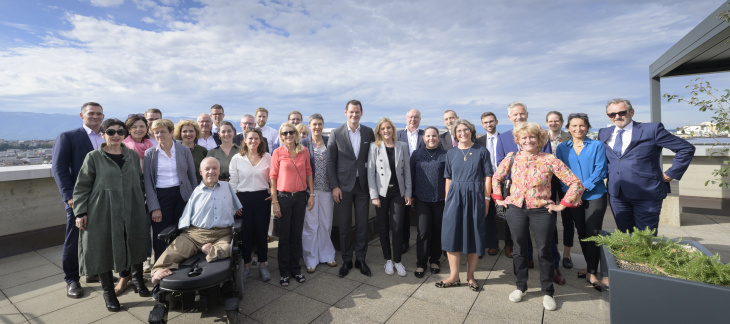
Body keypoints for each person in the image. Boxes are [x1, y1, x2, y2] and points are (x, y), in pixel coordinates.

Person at [492, 122, 584, 311]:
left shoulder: (549, 159)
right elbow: (496, 178)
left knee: (544, 251)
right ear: (518, 140)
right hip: (516, 209)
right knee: (519, 250)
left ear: (539, 139)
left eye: (532, 137)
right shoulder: (512, 157)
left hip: (542, 210)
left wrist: (562, 205)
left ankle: (548, 291)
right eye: (524, 138)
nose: (528, 140)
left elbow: (575, 182)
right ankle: (521, 286)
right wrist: (499, 198)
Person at [73, 119, 150, 312]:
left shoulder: (132, 155)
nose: (116, 135)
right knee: (103, 247)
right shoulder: (93, 157)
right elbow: (82, 186)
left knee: (135, 241)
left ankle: (139, 281)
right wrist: (80, 212)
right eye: (111, 131)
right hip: (102, 209)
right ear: (103, 134)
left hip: (132, 206)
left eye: (120, 131)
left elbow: (140, 182)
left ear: (125, 134)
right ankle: (108, 293)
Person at [598, 98, 695, 233]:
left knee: (646, 237)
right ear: (608, 116)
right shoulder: (603, 133)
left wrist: (671, 173)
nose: (617, 117)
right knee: (624, 234)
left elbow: (686, 148)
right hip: (617, 194)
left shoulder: (652, 129)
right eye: (612, 114)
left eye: (622, 113)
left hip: (647, 193)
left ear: (631, 112)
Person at [496, 102, 564, 284]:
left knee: (547, 238)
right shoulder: (503, 138)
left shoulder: (540, 133)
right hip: (517, 195)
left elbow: (549, 159)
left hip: (541, 194)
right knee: (520, 237)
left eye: (522, 114)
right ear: (509, 117)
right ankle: (526, 263)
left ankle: (554, 267)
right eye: (515, 115)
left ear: (527, 114)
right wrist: (501, 197)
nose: (519, 117)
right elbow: (500, 167)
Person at [150, 157, 243, 284]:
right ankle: (158, 270)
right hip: (195, 234)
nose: (211, 171)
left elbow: (237, 207)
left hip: (222, 234)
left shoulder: (227, 187)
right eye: (207, 169)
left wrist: (235, 212)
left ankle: (210, 250)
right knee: (175, 249)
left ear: (219, 170)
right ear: (200, 172)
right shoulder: (195, 191)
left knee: (229, 248)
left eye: (214, 168)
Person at [52, 102, 105, 298]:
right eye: (91, 113)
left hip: (104, 197)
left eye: (99, 114)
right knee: (74, 239)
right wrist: (69, 197)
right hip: (79, 198)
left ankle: (94, 272)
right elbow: (59, 169)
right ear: (81, 115)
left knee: (99, 237)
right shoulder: (68, 137)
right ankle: (72, 279)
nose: (95, 116)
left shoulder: (107, 137)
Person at [437, 119, 492, 292]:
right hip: (455, 195)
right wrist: (447, 199)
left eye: (465, 129)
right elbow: (448, 177)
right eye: (458, 131)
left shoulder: (481, 151)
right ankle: (454, 276)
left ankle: (470, 276)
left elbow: (487, 176)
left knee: (474, 235)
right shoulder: (451, 153)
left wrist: (487, 198)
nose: (462, 133)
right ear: (454, 134)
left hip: (476, 195)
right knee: (451, 234)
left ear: (471, 131)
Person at [556, 113, 608, 291]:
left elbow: (601, 170)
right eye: (574, 126)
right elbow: (561, 173)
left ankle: (593, 272)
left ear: (588, 127)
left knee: (593, 232)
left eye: (582, 125)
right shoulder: (562, 147)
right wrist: (570, 191)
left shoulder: (597, 145)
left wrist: (580, 188)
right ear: (568, 128)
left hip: (595, 195)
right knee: (582, 233)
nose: (578, 129)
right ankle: (589, 267)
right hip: (573, 196)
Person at [326, 99, 376, 278]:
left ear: (362, 113)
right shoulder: (336, 133)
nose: (354, 115)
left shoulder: (369, 132)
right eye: (351, 112)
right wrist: (334, 186)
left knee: (362, 225)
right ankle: (347, 260)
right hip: (343, 187)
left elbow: (375, 157)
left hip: (363, 186)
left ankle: (361, 259)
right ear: (345, 112)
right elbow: (330, 161)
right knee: (345, 226)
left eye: (357, 112)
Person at [144, 119, 198, 262]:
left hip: (183, 195)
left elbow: (192, 176)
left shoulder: (184, 150)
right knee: (160, 236)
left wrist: (194, 201)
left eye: (163, 131)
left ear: (171, 132)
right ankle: (160, 268)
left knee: (183, 232)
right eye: (156, 133)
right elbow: (148, 183)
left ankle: (182, 266)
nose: (159, 135)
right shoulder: (150, 154)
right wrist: (154, 207)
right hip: (161, 197)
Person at [270, 123, 315, 286]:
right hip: (283, 198)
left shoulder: (304, 151)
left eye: (291, 132)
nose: (288, 135)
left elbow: (309, 172)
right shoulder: (277, 152)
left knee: (296, 235)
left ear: (296, 134)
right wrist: (275, 201)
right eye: (285, 133)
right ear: (281, 136)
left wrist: (312, 194)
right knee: (284, 236)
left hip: (300, 197)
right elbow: (273, 178)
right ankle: (284, 271)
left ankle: (296, 269)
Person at [367, 117, 412, 277]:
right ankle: (388, 260)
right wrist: (374, 196)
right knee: (383, 227)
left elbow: (407, 171)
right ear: (379, 131)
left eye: (389, 128)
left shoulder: (402, 146)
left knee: (397, 227)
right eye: (383, 128)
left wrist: (408, 192)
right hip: (381, 192)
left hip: (398, 192)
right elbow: (370, 173)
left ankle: (398, 260)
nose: (386, 131)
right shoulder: (374, 147)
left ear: (393, 129)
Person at [229, 128, 273, 281]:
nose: (253, 141)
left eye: (256, 138)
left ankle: (262, 264)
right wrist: (235, 204)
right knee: (245, 234)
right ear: (245, 140)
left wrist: (272, 194)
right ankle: (247, 265)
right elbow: (233, 182)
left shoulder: (267, 157)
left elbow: (273, 178)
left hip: (262, 198)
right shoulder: (237, 158)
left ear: (260, 141)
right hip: (243, 199)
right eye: (250, 138)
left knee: (262, 233)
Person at [300, 114, 337, 273]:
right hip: (311, 191)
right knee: (310, 225)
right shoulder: (303, 143)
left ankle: (327, 255)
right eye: (314, 124)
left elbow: (336, 164)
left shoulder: (330, 142)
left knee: (326, 223)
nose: (317, 127)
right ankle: (310, 258)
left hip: (327, 190)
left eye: (320, 124)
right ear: (309, 125)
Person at [410, 126, 447, 278]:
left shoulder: (446, 154)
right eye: (428, 136)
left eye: (434, 136)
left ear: (438, 137)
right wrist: (410, 194)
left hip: (440, 199)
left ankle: (435, 260)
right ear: (423, 138)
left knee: (438, 231)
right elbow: (410, 175)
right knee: (423, 232)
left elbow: (449, 177)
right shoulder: (417, 154)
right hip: (421, 199)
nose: (431, 138)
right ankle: (421, 263)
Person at [396, 108, 424, 253]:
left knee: (423, 214)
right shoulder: (397, 135)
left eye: (416, 117)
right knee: (403, 214)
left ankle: (424, 243)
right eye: (410, 117)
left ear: (420, 120)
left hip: (422, 181)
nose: (413, 120)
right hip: (402, 181)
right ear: (406, 118)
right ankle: (404, 241)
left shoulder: (426, 135)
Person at [475, 112, 502, 256]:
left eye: (491, 121)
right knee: (487, 213)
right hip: (485, 180)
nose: (489, 124)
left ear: (496, 122)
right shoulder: (479, 142)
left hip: (503, 181)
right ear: (482, 125)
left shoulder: (504, 139)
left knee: (507, 213)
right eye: (485, 122)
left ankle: (510, 245)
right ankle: (492, 243)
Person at [174, 120, 208, 184]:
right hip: (179, 187)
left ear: (196, 133)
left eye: (191, 131)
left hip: (199, 186)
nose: (188, 134)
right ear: (180, 133)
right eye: (184, 131)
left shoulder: (203, 151)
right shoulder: (174, 150)